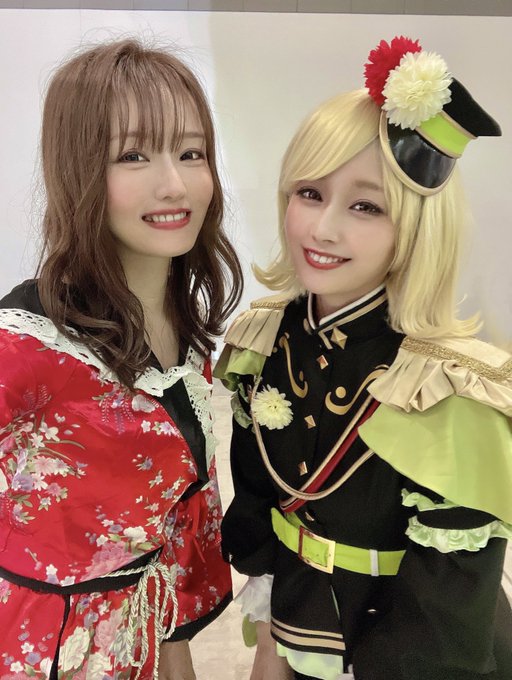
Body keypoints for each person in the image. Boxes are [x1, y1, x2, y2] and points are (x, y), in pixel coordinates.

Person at [215, 36, 512, 680]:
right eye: (309, 193)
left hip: (395, 640)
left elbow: (443, 608)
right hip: (296, 610)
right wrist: (269, 634)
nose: (322, 229)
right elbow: (259, 496)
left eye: (365, 206)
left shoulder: (445, 386)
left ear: (417, 225)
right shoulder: (265, 337)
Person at [0, 38, 242, 679]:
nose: (175, 184)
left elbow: (179, 532)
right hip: (33, 650)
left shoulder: (187, 338)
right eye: (133, 155)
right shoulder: (25, 346)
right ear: (77, 169)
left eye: (191, 152)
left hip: (133, 644)